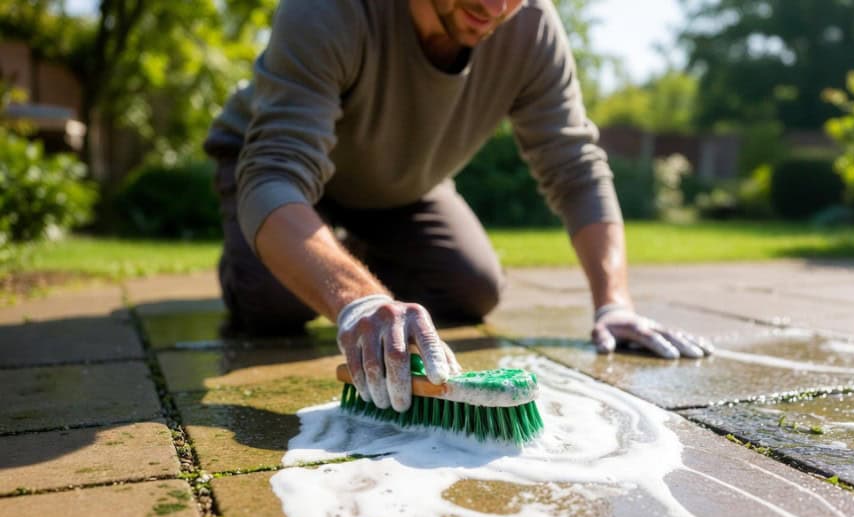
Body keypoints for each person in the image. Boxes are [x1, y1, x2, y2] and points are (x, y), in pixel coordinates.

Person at [203, 0, 712, 414]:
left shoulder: (532, 26)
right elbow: (275, 174)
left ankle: (346, 255)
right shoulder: (328, 11)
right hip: (274, 172)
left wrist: (613, 302)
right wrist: (357, 299)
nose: (495, 7)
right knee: (276, 303)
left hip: (403, 185)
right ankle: (300, 260)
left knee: (473, 287)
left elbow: (575, 167)